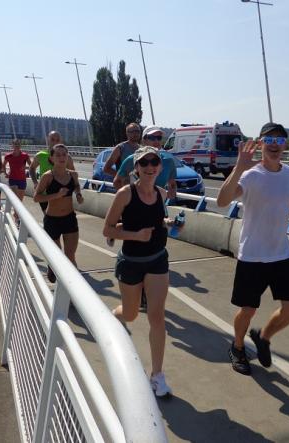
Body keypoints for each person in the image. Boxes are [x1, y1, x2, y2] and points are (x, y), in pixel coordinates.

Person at [216, 122, 289, 376]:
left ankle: (264, 338)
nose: (274, 145)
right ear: (260, 144)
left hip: (282, 253)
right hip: (253, 255)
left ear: (285, 145)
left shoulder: (288, 172)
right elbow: (222, 201)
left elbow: (287, 196)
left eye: (280, 140)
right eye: (269, 140)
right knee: (248, 310)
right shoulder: (251, 175)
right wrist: (239, 167)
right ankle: (237, 347)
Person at [103, 146, 180, 398]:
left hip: (157, 260)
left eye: (154, 162)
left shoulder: (160, 193)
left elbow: (156, 221)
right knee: (131, 313)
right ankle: (114, 317)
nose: (149, 167)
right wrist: (135, 236)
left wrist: (168, 223)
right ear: (136, 167)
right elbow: (108, 230)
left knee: (157, 316)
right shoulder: (125, 194)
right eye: (144, 163)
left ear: (160, 166)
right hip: (131, 262)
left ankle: (157, 376)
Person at [33, 144, 84, 283]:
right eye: (58, 155)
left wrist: (78, 194)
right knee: (56, 256)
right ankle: (52, 266)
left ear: (68, 157)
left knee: (70, 256)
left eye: (64, 154)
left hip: (69, 219)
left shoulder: (73, 174)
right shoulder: (47, 177)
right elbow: (36, 197)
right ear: (52, 158)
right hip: (52, 220)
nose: (62, 157)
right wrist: (56, 195)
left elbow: (76, 186)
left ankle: (73, 287)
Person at [113, 126, 177, 200]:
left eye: (159, 138)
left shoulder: (168, 161)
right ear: (144, 140)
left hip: (159, 205)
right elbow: (117, 181)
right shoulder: (132, 159)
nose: (156, 141)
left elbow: (172, 184)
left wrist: (172, 191)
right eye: (152, 138)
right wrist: (129, 200)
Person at [30, 131, 76, 213]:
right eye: (52, 139)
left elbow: (72, 174)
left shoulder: (67, 157)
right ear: (48, 140)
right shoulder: (40, 155)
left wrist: (76, 191)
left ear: (60, 141)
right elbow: (32, 168)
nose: (55, 142)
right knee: (49, 216)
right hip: (45, 194)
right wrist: (35, 182)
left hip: (61, 194)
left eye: (57, 140)